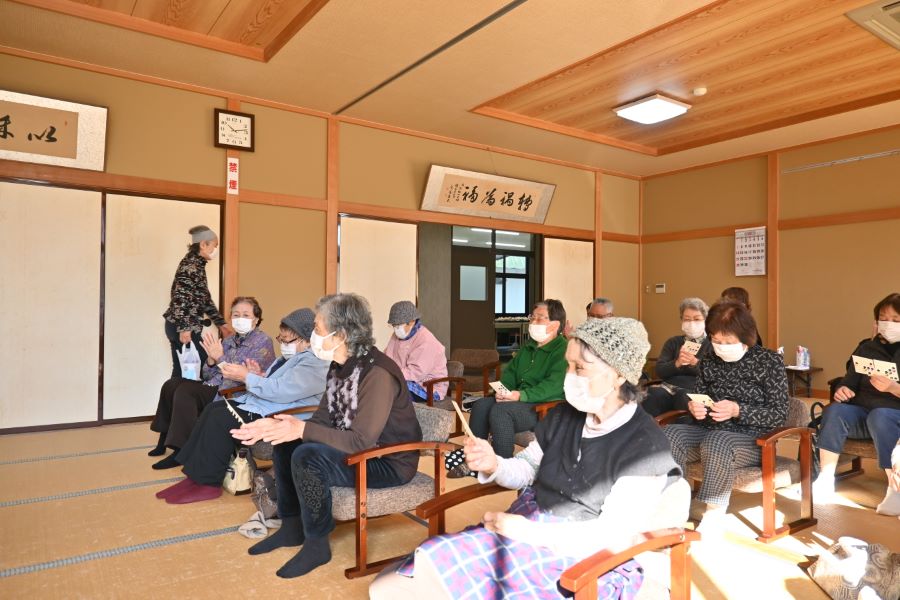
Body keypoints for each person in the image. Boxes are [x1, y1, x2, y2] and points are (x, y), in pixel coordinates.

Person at [370, 317, 686, 599]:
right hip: (529, 524)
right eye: (568, 366)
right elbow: (528, 466)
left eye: (580, 368)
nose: (569, 376)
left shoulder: (645, 447)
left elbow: (610, 537)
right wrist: (494, 464)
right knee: (396, 581)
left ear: (618, 375)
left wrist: (528, 532)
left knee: (423, 583)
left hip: (581, 554)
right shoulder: (566, 415)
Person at [230, 293, 423, 578]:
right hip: (358, 447)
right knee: (285, 445)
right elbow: (323, 416)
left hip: (387, 460)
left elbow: (361, 441)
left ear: (341, 334)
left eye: (318, 328)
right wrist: (280, 426)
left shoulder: (378, 373)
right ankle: (292, 527)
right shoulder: (339, 365)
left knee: (308, 456)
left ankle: (317, 545)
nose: (313, 336)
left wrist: (302, 430)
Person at [154, 308, 328, 504]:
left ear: (306, 339)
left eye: (287, 340)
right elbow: (277, 384)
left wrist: (247, 377)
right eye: (282, 339)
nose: (283, 344)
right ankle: (194, 477)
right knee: (212, 409)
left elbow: (282, 390)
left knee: (220, 419)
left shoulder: (315, 362)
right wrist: (257, 375)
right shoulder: (287, 358)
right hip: (264, 403)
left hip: (279, 413)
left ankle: (208, 484)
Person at [663, 301, 788, 522]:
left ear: (746, 337)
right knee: (668, 434)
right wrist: (694, 407)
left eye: (728, 341)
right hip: (708, 430)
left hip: (753, 440)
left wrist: (738, 410)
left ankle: (714, 514)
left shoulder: (769, 361)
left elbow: (779, 414)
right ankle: (671, 507)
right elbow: (699, 395)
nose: (721, 347)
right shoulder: (709, 360)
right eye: (716, 341)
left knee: (717, 441)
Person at [149, 296, 275, 469]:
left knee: (185, 392)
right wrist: (210, 360)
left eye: (246, 315)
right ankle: (164, 439)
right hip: (214, 385)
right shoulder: (228, 340)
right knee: (172, 384)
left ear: (256, 319)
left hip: (233, 391)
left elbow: (240, 375)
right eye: (236, 315)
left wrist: (220, 357)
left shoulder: (263, 341)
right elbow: (208, 375)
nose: (240, 319)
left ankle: (180, 450)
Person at [812, 293, 900, 515]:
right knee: (835, 411)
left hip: (893, 419)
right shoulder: (866, 348)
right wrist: (843, 390)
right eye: (883, 318)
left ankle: (894, 488)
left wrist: (893, 388)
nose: (888, 324)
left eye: (896, 320)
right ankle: (825, 478)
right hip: (864, 415)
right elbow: (849, 382)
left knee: (880, 415)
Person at [462, 299, 568, 464]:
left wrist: (520, 395)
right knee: (481, 405)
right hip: (520, 399)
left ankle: (502, 466)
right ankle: (476, 459)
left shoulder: (563, 349)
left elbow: (553, 386)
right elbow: (511, 372)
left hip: (544, 406)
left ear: (555, 324)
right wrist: (503, 391)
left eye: (539, 318)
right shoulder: (529, 346)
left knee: (501, 411)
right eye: (532, 317)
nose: (533, 322)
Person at [163, 225, 234, 377]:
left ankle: (175, 393)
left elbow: (205, 300)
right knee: (195, 370)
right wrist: (185, 328)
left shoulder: (197, 265)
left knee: (183, 371)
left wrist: (222, 325)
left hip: (180, 324)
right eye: (215, 245)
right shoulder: (191, 265)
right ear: (203, 244)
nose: (216, 250)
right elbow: (180, 297)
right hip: (183, 326)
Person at [642, 297, 713, 417]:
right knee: (651, 395)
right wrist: (677, 363)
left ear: (705, 320)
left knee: (684, 398)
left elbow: (714, 374)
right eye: (687, 319)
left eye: (697, 319)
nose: (692, 323)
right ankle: (648, 428)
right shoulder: (673, 342)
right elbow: (660, 371)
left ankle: (677, 428)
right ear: (681, 320)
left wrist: (695, 363)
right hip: (668, 387)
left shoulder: (712, 344)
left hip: (695, 390)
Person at [383, 300, 448, 403]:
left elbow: (416, 373)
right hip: (403, 378)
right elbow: (386, 358)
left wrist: (391, 375)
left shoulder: (426, 340)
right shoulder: (396, 336)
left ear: (412, 322)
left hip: (428, 387)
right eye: (393, 326)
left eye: (398, 325)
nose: (396, 329)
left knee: (392, 390)